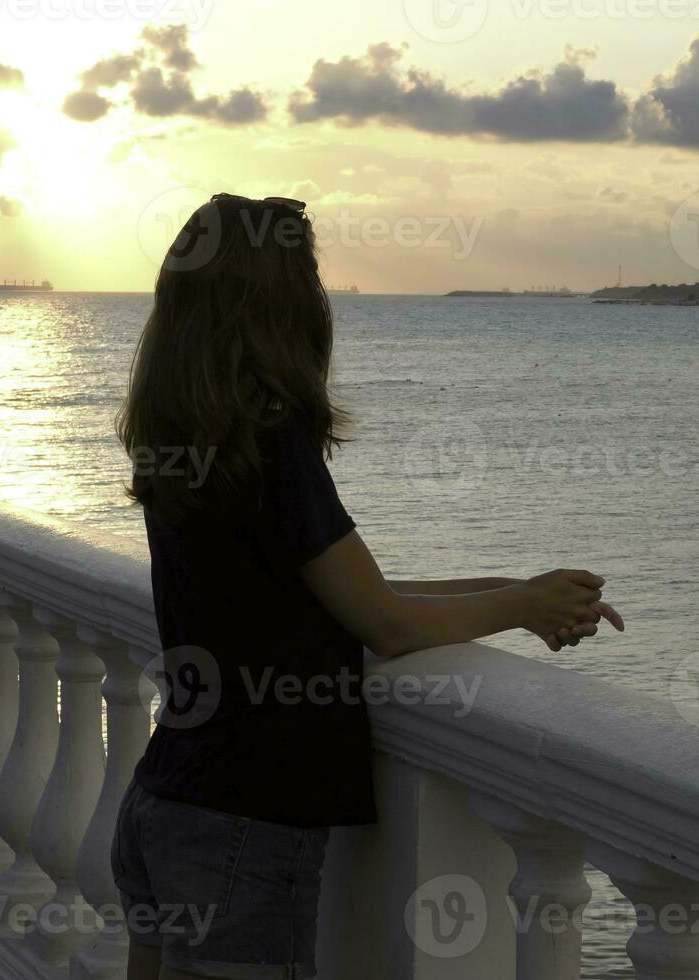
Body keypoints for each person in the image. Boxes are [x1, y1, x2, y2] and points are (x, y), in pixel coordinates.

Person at [112, 192, 624, 980]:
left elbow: (337, 589)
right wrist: (521, 604)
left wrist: (519, 593)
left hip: (165, 801)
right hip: (242, 825)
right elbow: (382, 624)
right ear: (283, 303)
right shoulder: (271, 439)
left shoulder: (185, 441)